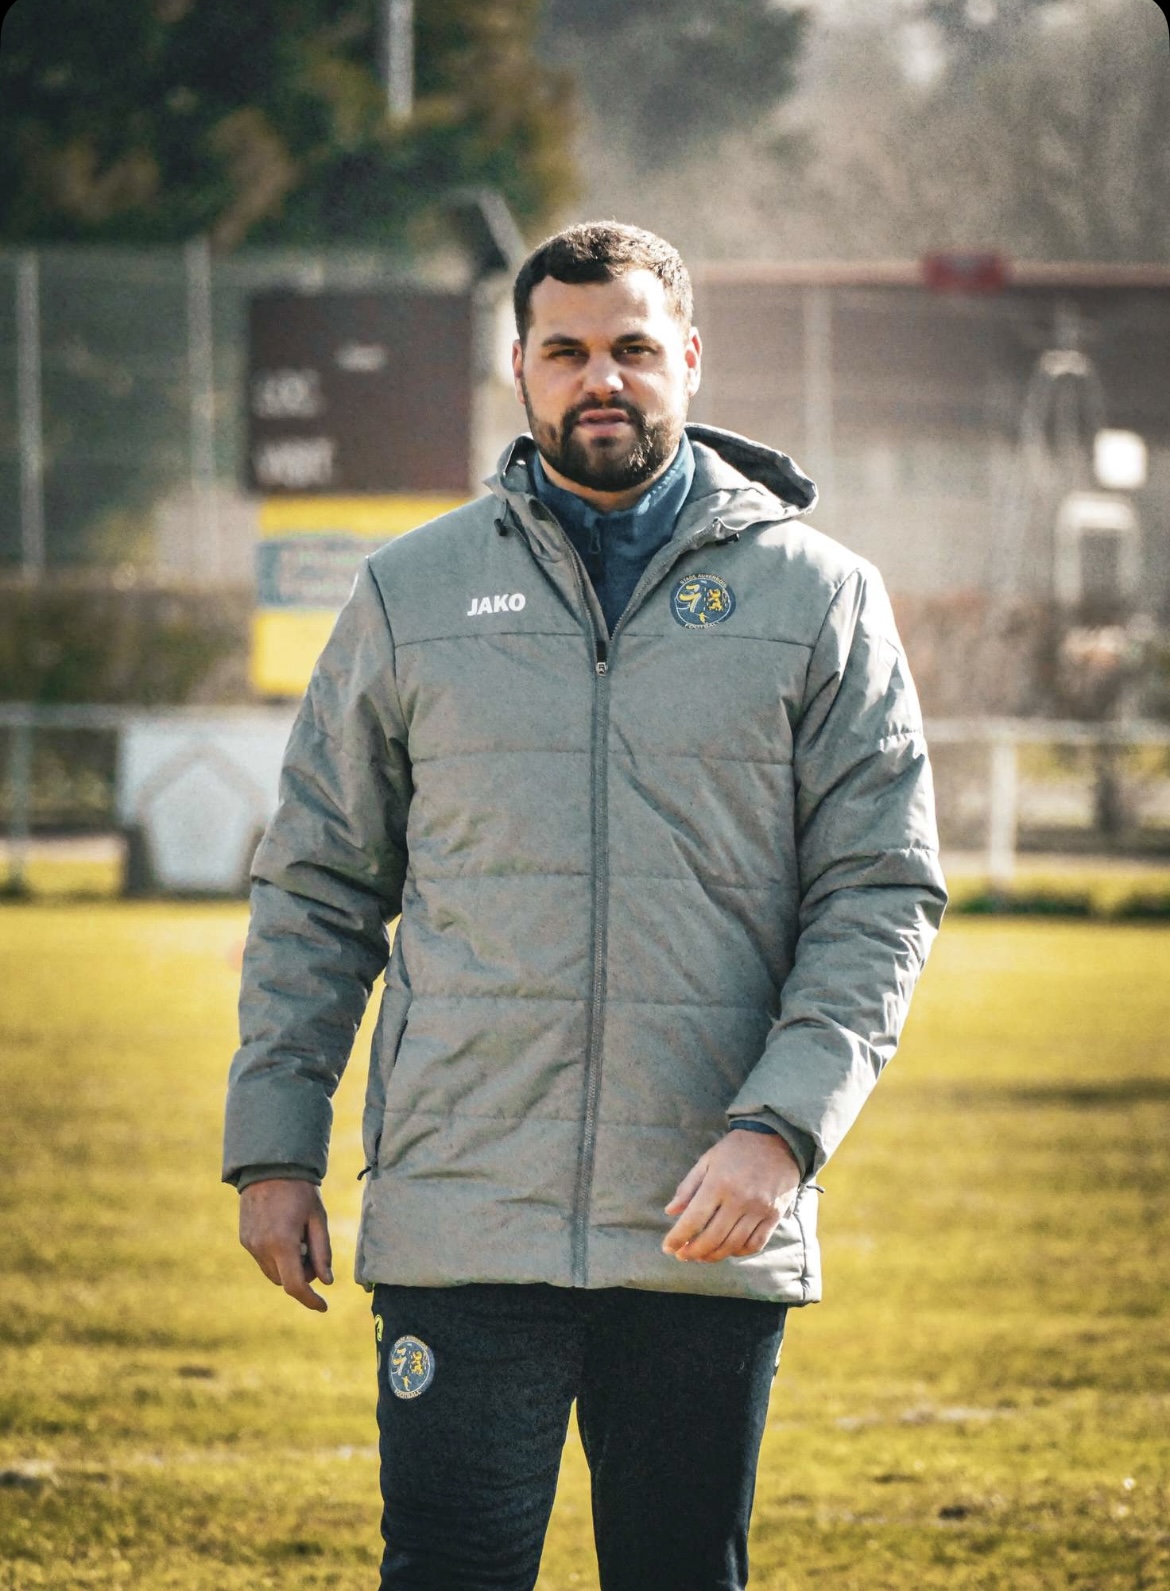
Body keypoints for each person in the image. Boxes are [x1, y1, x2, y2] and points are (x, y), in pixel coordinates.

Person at [224, 221, 947, 1590]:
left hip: (703, 1222)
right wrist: (274, 1148)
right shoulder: (411, 592)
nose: (598, 378)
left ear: (689, 358)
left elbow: (880, 889)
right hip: (462, 1217)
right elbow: (318, 885)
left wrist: (781, 1132)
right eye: (565, 351)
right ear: (519, 368)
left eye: (630, 348)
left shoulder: (821, 597)